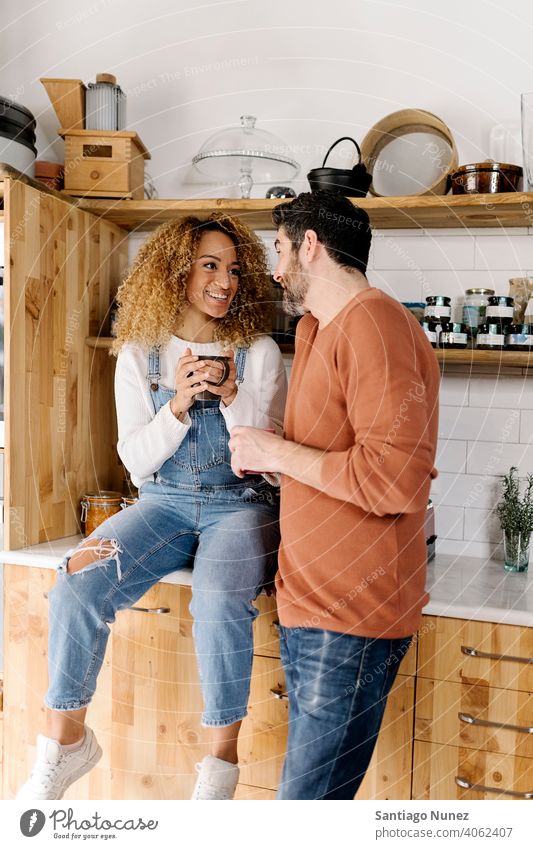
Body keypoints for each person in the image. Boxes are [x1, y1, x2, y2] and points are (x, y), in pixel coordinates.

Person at [18, 214, 287, 801]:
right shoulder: (141, 353)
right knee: (77, 581)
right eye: (209, 266)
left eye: (235, 269)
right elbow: (138, 464)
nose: (226, 281)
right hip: (163, 501)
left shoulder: (258, 352)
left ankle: (219, 771)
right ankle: (64, 746)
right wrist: (180, 404)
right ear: (176, 272)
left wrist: (235, 399)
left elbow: (269, 462)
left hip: (242, 504)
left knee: (217, 597)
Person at [229, 190, 440, 800]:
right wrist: (274, 460)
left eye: (278, 249)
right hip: (308, 606)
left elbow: (394, 480)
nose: (273, 269)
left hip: (351, 621)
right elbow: (336, 462)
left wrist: (277, 454)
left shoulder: (376, 322)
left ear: (310, 246)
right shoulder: (318, 328)